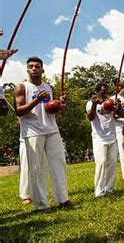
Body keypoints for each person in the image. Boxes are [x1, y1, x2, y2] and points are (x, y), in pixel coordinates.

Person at [13, 56, 75, 212]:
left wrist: (60, 104)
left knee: (59, 164)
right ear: (27, 69)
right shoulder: (21, 87)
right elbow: (18, 111)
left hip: (52, 129)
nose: (34, 68)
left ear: (42, 70)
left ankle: (63, 199)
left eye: (37, 66)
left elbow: (51, 109)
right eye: (31, 66)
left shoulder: (49, 87)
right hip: (33, 132)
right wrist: (35, 101)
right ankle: (41, 205)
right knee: (37, 168)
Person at [86, 83, 124, 197]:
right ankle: (99, 192)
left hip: (112, 137)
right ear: (97, 92)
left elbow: (121, 114)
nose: (105, 95)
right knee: (101, 163)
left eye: (106, 92)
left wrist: (119, 106)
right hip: (99, 138)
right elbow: (90, 117)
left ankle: (109, 189)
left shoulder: (111, 101)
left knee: (112, 164)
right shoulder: (90, 103)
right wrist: (94, 104)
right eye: (102, 92)